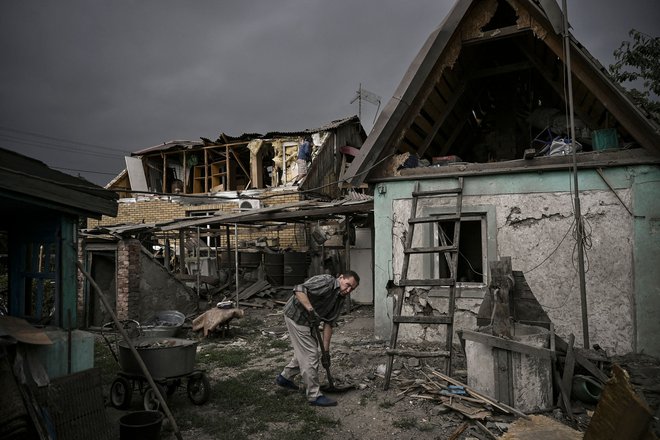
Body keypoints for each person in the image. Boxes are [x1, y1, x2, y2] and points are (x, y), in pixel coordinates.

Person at [275, 270, 360, 406]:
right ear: (341, 278)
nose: (348, 290)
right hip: (296, 316)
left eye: (352, 288)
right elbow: (299, 289)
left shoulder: (340, 299)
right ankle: (314, 396)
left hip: (309, 321)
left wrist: (325, 352)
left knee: (306, 351)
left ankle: (285, 377)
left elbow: (329, 324)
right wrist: (310, 309)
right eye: (347, 285)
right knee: (310, 354)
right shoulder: (326, 281)